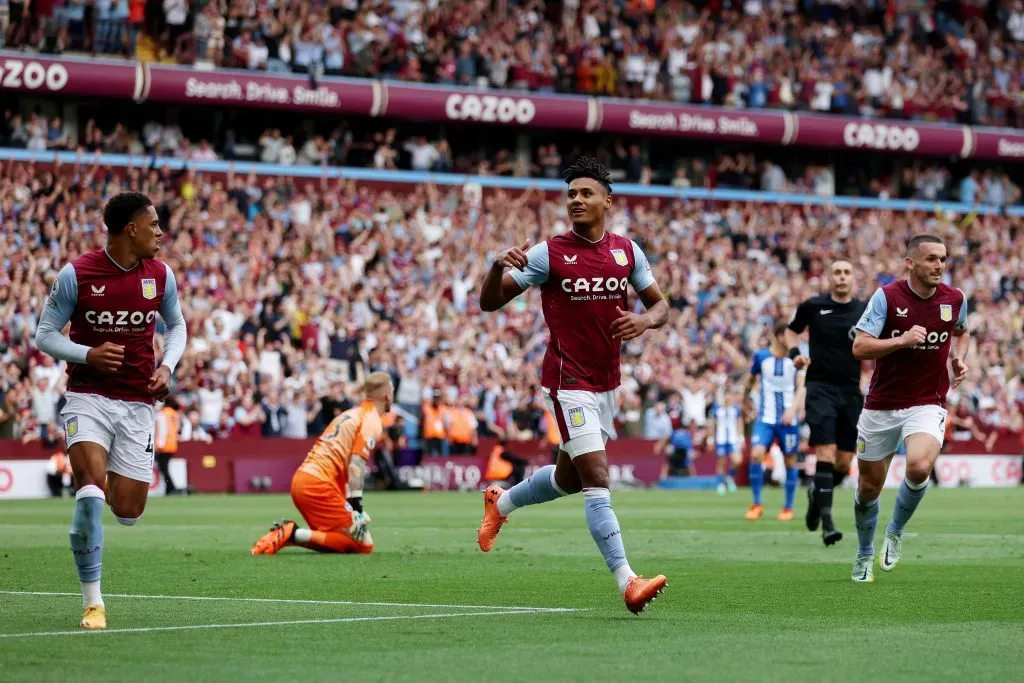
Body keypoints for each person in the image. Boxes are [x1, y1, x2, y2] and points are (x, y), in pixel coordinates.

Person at [476, 156, 670, 615]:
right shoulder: (549, 253)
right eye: (571, 195)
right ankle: (628, 582)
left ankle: (500, 502)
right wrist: (493, 267)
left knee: (567, 478)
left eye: (585, 193)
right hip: (569, 382)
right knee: (597, 478)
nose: (576, 201)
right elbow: (491, 302)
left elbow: (660, 307)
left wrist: (644, 321)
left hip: (607, 384)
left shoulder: (627, 251)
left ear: (608, 200)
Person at [33, 192, 187, 630]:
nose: (160, 232)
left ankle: (115, 508)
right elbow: (44, 334)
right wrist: (87, 354)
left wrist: (167, 366)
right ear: (130, 229)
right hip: (88, 397)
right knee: (89, 489)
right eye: (153, 224)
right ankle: (93, 603)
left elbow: (176, 326)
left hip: (138, 403)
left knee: (128, 511)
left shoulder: (160, 275)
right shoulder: (76, 274)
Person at [849, 235, 968, 582]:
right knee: (869, 488)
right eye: (931, 259)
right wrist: (901, 340)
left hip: (928, 402)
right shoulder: (887, 297)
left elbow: (963, 331)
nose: (939, 266)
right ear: (910, 263)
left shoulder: (955, 298)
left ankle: (896, 531)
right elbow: (859, 347)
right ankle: (864, 553)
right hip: (882, 404)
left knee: (918, 466)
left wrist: (961, 361)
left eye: (943, 259)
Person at [250, 372, 394, 556]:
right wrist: (357, 509)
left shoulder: (351, 414)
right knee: (363, 544)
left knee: (341, 537)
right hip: (318, 485)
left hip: (304, 480)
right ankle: (292, 533)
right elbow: (356, 464)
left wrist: (351, 508)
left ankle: (292, 534)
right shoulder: (371, 419)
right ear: (387, 395)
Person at [785, 258, 867, 546]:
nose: (842, 277)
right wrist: (795, 353)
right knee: (826, 453)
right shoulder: (813, 306)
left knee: (844, 464)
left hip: (851, 391)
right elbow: (791, 330)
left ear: (853, 277)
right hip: (819, 388)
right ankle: (828, 524)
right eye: (837, 272)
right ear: (829, 278)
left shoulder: (864, 309)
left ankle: (815, 495)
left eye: (847, 272)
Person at [744, 322, 806, 522]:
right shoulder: (762, 357)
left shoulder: (797, 360)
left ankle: (787, 508)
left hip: (788, 420)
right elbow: (750, 379)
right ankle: (756, 504)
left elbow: (802, 387)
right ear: (781, 337)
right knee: (756, 454)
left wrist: (792, 409)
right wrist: (745, 399)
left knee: (790, 461)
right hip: (765, 418)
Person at [707, 388, 744, 495]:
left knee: (737, 460)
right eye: (726, 395)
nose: (728, 397)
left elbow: (739, 423)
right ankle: (721, 484)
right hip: (721, 439)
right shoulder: (717, 409)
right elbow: (712, 424)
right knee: (721, 462)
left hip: (733, 439)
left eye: (730, 395)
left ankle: (729, 477)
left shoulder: (736, 409)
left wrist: (741, 437)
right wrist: (710, 439)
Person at [154, 397, 182, 494]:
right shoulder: (175, 414)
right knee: (164, 468)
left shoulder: (163, 413)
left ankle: (171, 487)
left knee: (163, 468)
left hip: (164, 445)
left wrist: (158, 444)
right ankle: (169, 488)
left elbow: (162, 430)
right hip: (172, 444)